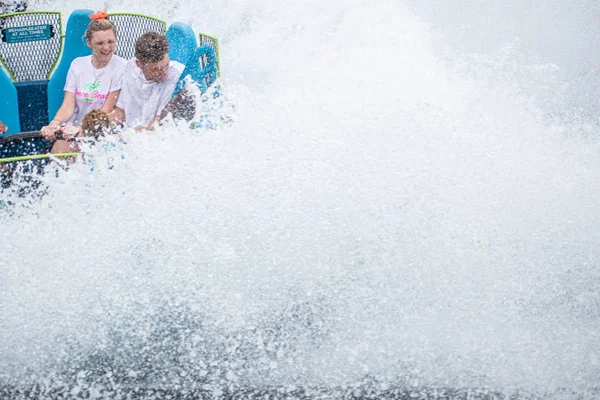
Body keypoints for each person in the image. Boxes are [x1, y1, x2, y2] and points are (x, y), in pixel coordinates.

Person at [40, 10, 126, 153]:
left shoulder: (121, 67)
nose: (106, 48)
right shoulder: (77, 64)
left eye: (110, 42)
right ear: (89, 43)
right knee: (58, 152)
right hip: (73, 129)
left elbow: (106, 110)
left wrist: (82, 129)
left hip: (102, 129)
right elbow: (68, 105)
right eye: (99, 43)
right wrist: (55, 124)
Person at [110, 31, 185, 130]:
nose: (164, 73)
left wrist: (129, 135)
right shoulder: (131, 67)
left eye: (166, 66)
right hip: (129, 132)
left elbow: (160, 123)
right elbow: (121, 111)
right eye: (156, 69)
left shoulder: (176, 74)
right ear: (139, 64)